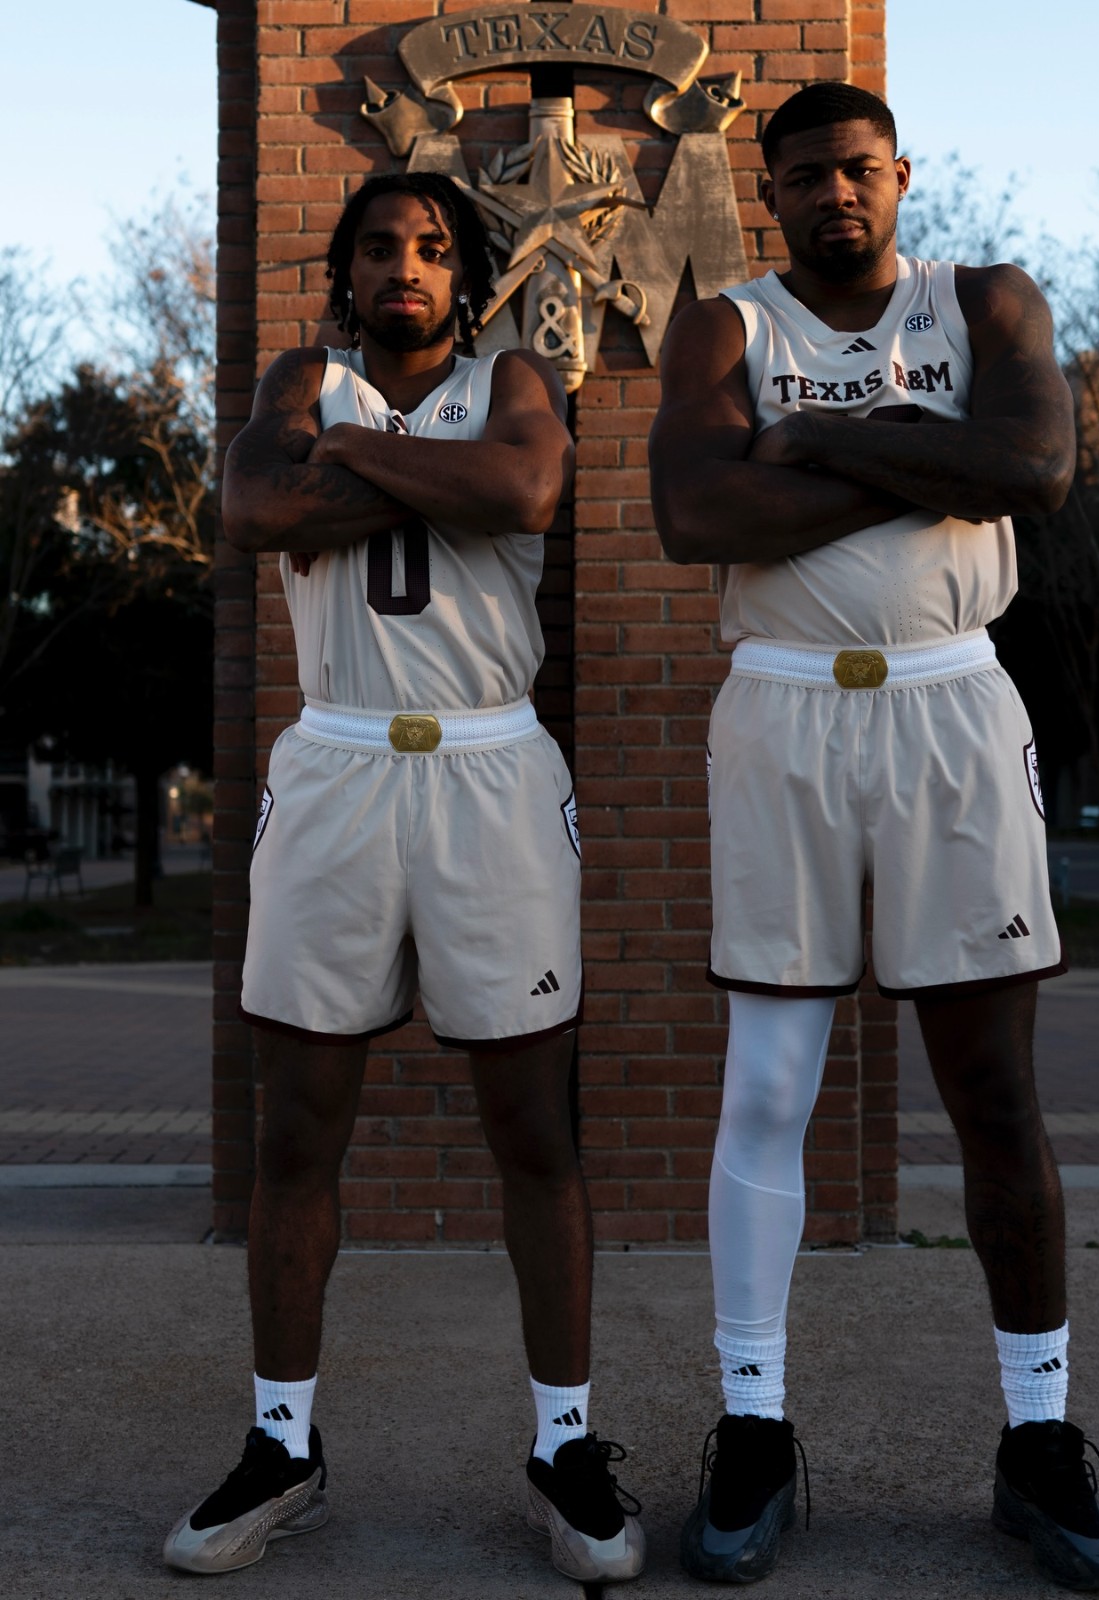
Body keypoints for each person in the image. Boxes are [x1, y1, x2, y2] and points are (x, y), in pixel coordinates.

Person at [649, 82, 1099, 1590]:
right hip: (784, 712)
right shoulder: (722, 327)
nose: (835, 194)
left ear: (901, 174)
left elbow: (1034, 471)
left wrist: (808, 446)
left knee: (992, 1090)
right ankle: (753, 1427)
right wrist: (921, 448)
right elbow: (694, 518)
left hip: (950, 705)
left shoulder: (985, 301)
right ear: (770, 195)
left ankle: (1039, 1439)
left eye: (858, 169)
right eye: (805, 177)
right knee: (767, 1087)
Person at [163, 171, 643, 1585]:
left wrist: (353, 460)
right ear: (346, 273)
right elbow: (253, 509)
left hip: (491, 769)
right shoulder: (297, 379)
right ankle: (282, 1447)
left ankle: (564, 1448)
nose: (405, 268)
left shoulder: (514, 382)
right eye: (378, 248)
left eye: (433, 249)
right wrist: (388, 468)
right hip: (338, 765)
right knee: (296, 1134)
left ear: (467, 277)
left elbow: (525, 488)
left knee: (534, 1130)